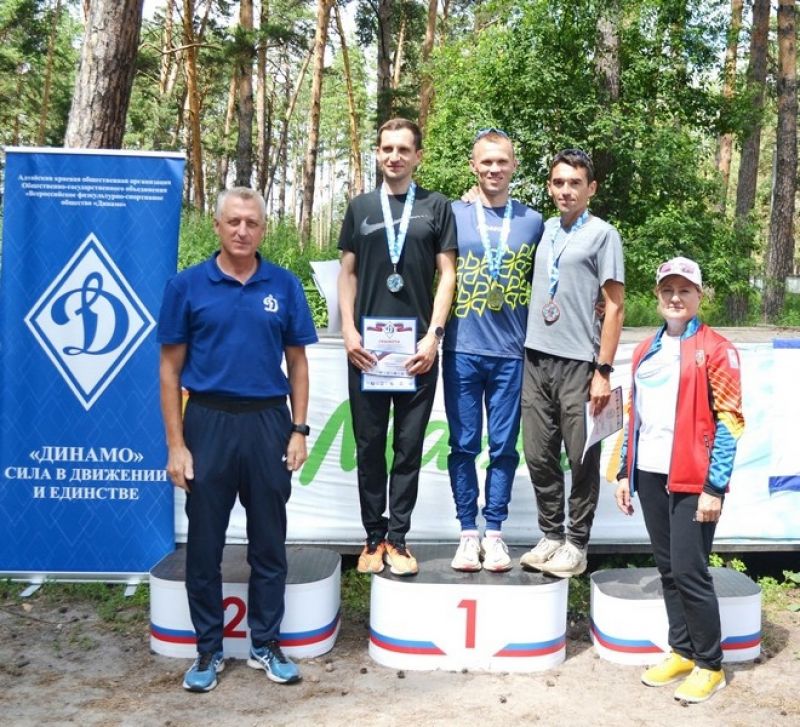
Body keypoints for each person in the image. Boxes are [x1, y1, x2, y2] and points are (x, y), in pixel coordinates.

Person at [158, 187, 318, 692]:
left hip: (268, 424)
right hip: (208, 423)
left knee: (269, 542)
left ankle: (265, 643)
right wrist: (177, 445)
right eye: (233, 222)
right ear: (217, 226)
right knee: (204, 545)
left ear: (263, 229)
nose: (242, 231)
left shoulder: (284, 285)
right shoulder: (186, 286)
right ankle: (207, 649)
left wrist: (298, 429)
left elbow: (297, 363)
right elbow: (169, 371)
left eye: (252, 223)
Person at [615, 256, 744, 704]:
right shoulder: (643, 350)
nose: (675, 297)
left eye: (684, 290)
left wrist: (714, 487)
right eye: (667, 290)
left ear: (698, 295)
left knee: (690, 572)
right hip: (649, 474)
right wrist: (624, 471)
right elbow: (633, 416)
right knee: (669, 571)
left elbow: (731, 422)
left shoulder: (717, 348)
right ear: (657, 296)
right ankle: (683, 651)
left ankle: (710, 665)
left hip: (694, 480)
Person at [337, 117, 457, 577]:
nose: (394, 156)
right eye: (387, 148)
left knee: (408, 448)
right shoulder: (360, 207)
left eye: (403, 149)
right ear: (377, 153)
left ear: (417, 156)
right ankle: (372, 537)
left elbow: (448, 274)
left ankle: (399, 539)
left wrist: (434, 335)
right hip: (366, 352)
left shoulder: (435, 206)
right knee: (369, 446)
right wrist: (348, 331)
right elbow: (347, 273)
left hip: (417, 353)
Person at [519, 148, 625, 578]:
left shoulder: (604, 235)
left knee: (581, 458)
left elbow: (614, 306)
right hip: (535, 357)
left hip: (580, 363)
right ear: (550, 187)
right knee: (537, 454)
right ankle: (551, 535)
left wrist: (603, 371)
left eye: (575, 183)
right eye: (559, 182)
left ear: (591, 188)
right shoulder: (544, 230)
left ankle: (577, 543)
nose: (566, 190)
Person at [444, 128, 544, 572]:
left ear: (514, 165)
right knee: (464, 445)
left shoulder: (533, 221)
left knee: (503, 448)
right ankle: (468, 534)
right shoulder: (452, 214)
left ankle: (496, 534)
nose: (494, 168)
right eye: (486, 161)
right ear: (473, 165)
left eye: (502, 161)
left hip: (511, 352)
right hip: (461, 349)